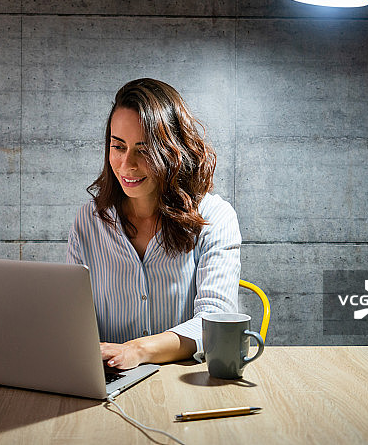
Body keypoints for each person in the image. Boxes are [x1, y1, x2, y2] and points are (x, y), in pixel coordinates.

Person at [66, 78, 241, 370]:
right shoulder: (88, 222)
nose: (126, 164)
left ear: (173, 150)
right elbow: (71, 320)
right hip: (108, 383)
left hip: (184, 381)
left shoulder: (215, 217)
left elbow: (215, 323)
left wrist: (137, 350)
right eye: (118, 146)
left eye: (144, 150)